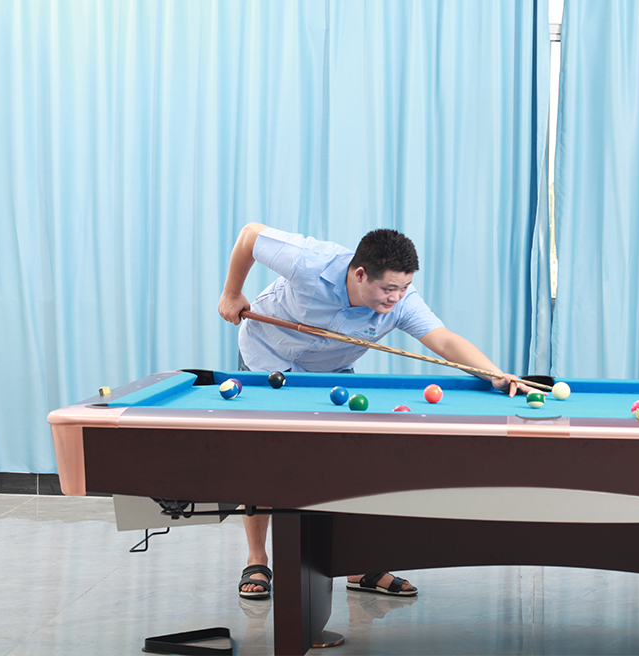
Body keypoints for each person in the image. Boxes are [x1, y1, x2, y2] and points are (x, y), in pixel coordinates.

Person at [218, 223, 525, 600]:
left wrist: (495, 375)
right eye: (389, 288)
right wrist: (231, 293)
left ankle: (358, 564)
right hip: (266, 357)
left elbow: (444, 341)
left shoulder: (401, 303)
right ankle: (257, 557)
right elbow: (250, 236)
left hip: (329, 374)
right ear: (360, 274)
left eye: (404, 287)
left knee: (350, 463)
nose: (397, 297)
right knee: (265, 460)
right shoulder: (312, 262)